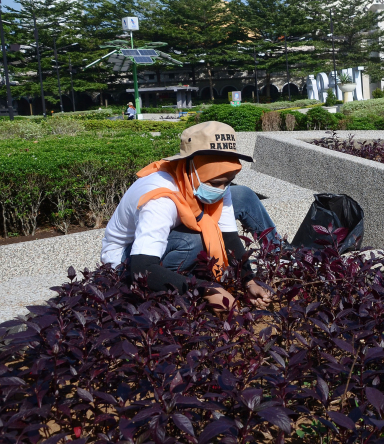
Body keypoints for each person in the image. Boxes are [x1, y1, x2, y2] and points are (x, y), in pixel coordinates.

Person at [100, 121, 280, 312]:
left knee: (242, 195)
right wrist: (206, 289)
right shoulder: (160, 199)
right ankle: (173, 287)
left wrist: (249, 281)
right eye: (216, 183)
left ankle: (280, 254)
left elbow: (229, 238)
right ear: (191, 169)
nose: (222, 190)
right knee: (195, 240)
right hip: (127, 262)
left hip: (169, 240)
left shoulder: (212, 180)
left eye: (228, 182)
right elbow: (142, 268)